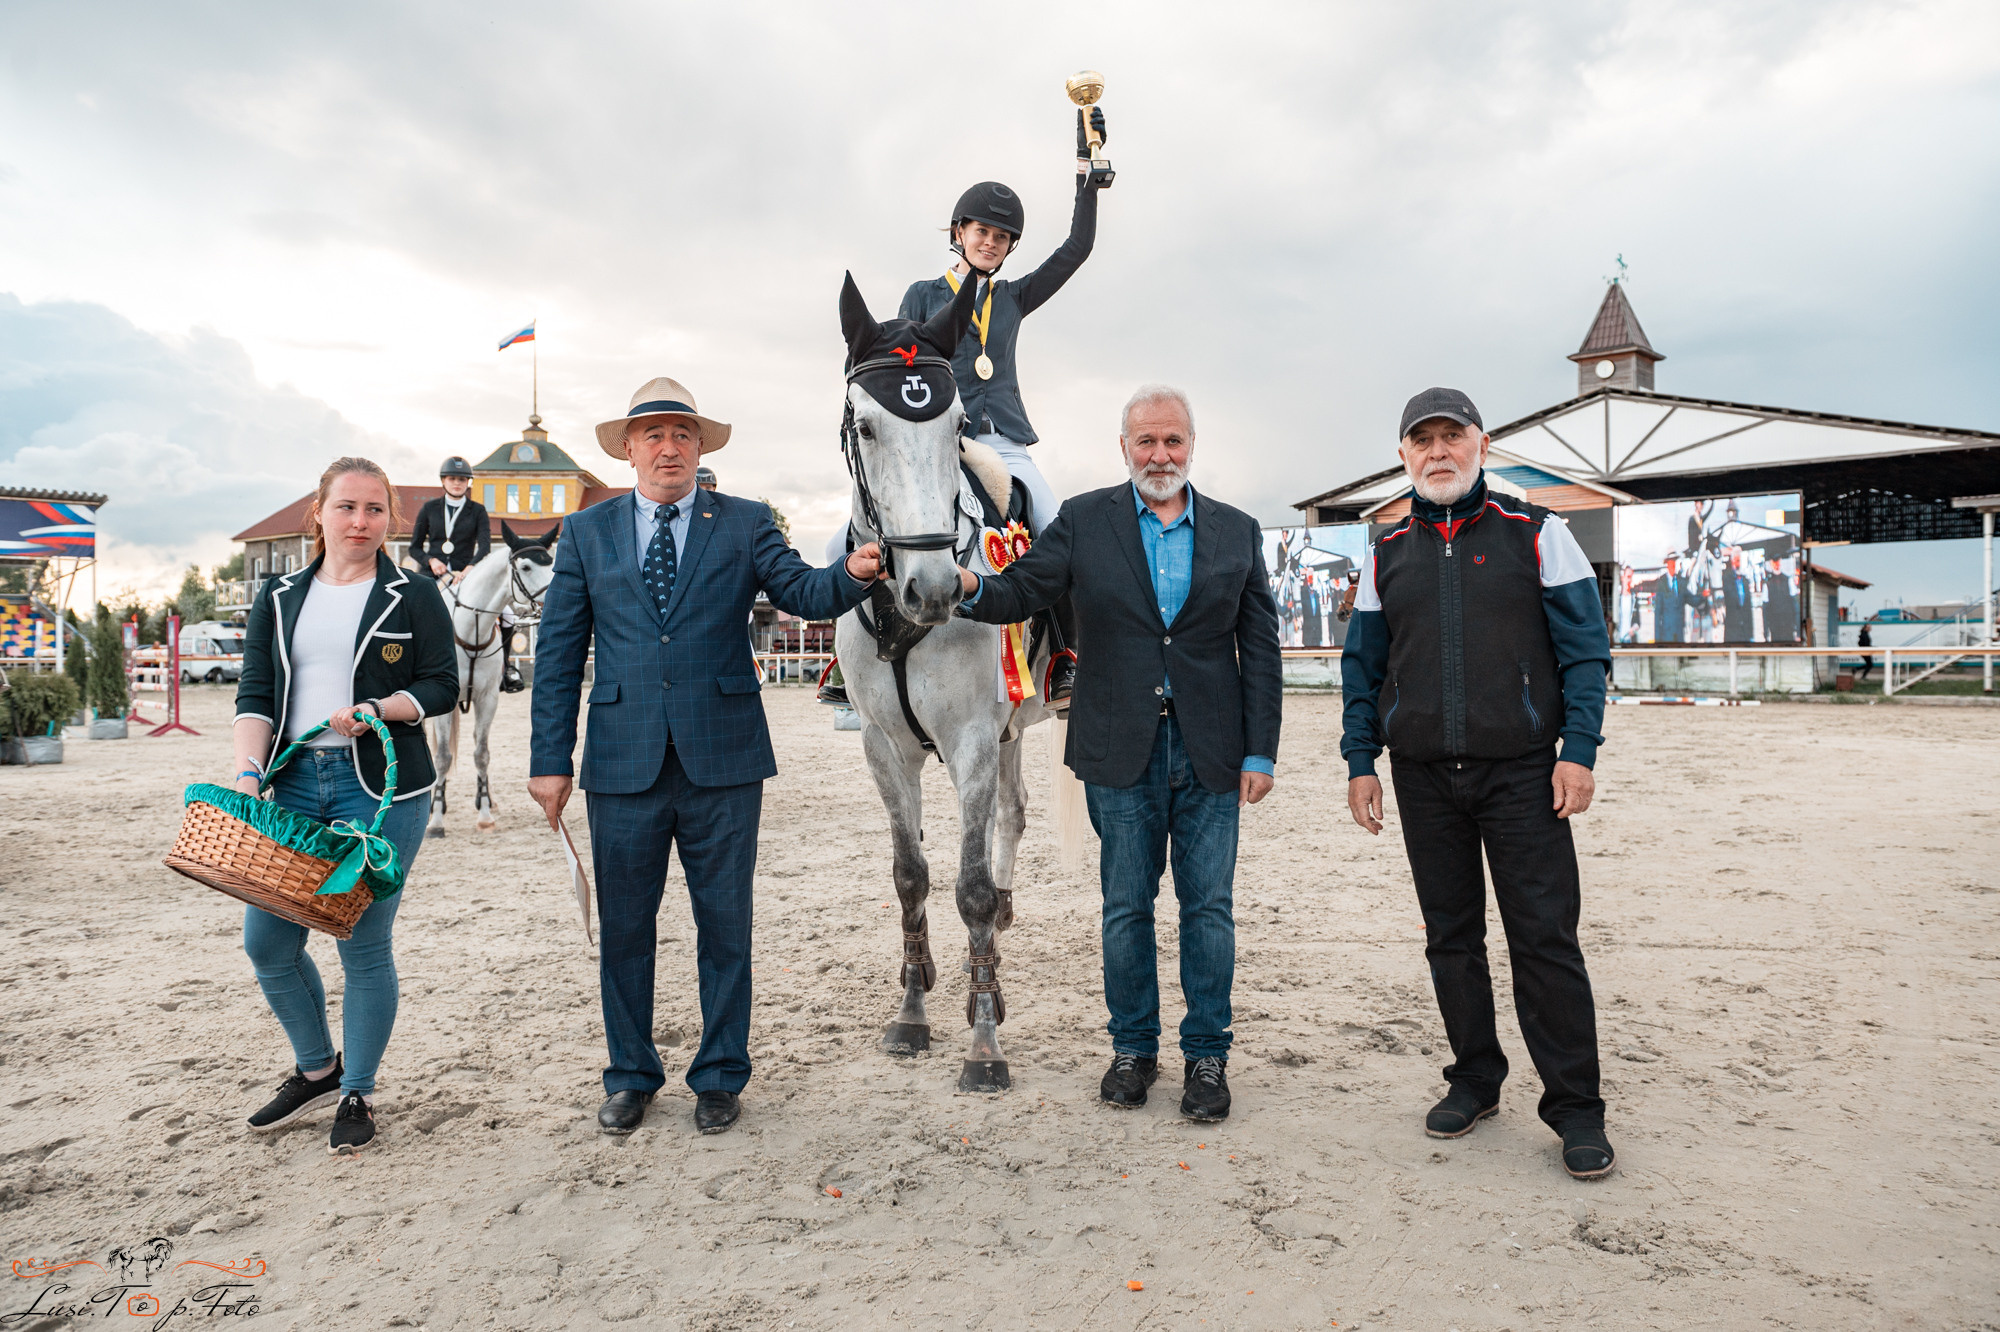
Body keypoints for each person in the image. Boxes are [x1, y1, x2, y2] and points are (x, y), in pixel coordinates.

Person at [528, 377, 886, 1137]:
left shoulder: (747, 522)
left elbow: (803, 592)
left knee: (725, 924)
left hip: (724, 759)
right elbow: (558, 654)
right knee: (625, 929)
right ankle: (631, 1075)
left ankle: (720, 1075)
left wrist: (851, 574)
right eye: (653, 435)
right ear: (628, 449)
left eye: (682, 435)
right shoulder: (585, 534)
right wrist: (549, 759)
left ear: (700, 449)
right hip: (621, 762)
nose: (668, 447)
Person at [953, 384, 1281, 1122]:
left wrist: (1261, 751)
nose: (1159, 455)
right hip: (1116, 748)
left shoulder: (1236, 530)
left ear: (1190, 446)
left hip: (1212, 752)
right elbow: (1028, 589)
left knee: (1210, 910)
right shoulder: (1083, 520)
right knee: (1126, 908)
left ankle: (1206, 1057)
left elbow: (1259, 648)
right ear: (1124, 447)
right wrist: (968, 584)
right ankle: (1133, 1049)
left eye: (1172, 441)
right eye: (1146, 442)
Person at [1341, 387, 1617, 1181]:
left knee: (1544, 938)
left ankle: (1575, 1108)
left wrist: (1580, 749)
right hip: (1423, 775)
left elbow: (1586, 653)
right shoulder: (1385, 551)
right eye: (1421, 440)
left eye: (1451, 437)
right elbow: (1362, 668)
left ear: (1481, 444)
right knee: (1450, 938)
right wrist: (1361, 760)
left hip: (1525, 773)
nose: (1438, 452)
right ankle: (1475, 1078)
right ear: (1403, 456)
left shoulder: (1539, 534)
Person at [819, 104, 1113, 712]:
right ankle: (847, 665)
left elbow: (1077, 247)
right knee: (834, 547)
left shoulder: (1015, 296)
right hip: (936, 441)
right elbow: (901, 375)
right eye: (981, 231)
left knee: (1057, 528)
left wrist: (1088, 174)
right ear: (959, 233)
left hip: (1002, 442)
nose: (990, 241)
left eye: (1001, 237)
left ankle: (1062, 655)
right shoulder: (922, 296)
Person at [231, 456, 459, 1154]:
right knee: (267, 941)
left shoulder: (414, 594)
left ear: (389, 518)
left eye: (375, 509)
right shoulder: (277, 595)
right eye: (347, 507)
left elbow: (442, 686)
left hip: (383, 789)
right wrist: (247, 773)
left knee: (362, 942)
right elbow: (255, 694)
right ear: (319, 513)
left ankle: (357, 1089)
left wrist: (381, 708)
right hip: (293, 784)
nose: (361, 522)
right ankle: (317, 1067)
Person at [410, 455, 524, 692]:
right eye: (452, 478)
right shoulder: (429, 509)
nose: (457, 483)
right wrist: (431, 561)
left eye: (462, 479)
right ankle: (413, 668)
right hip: (434, 575)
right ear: (443, 481)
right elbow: (414, 547)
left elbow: (484, 546)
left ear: (468, 483)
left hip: (466, 575)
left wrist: (470, 568)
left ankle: (506, 669)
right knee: (412, 612)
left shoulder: (477, 511)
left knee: (509, 615)